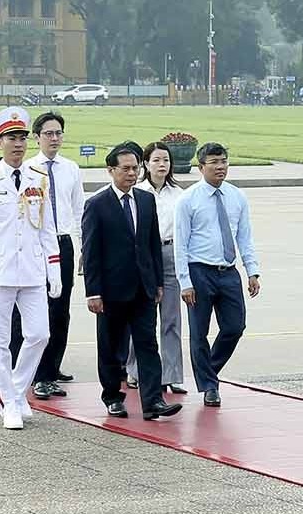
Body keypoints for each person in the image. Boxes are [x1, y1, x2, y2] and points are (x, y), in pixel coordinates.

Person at [0, 106, 62, 430]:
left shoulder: (39, 178)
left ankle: (15, 392)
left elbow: (46, 227)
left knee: (39, 334)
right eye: (11, 138)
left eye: (21, 138)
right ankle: (9, 403)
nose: (18, 144)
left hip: (32, 269)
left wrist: (55, 268)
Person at [83, 141, 182, 421]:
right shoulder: (96, 205)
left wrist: (158, 283)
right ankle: (113, 396)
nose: (131, 173)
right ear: (110, 170)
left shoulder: (145, 200)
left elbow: (151, 244)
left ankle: (153, 401)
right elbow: (91, 252)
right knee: (112, 347)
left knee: (147, 344)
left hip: (143, 288)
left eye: (135, 168)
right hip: (112, 291)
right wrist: (93, 292)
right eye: (125, 168)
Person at [174, 141, 260, 408]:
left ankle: (207, 371)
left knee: (235, 327)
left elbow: (244, 236)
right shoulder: (188, 200)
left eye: (223, 161)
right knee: (199, 332)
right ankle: (210, 386)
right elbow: (181, 243)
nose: (220, 167)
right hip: (199, 271)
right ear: (201, 167)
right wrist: (185, 282)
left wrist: (252, 270)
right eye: (214, 163)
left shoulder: (237, 197)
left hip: (228, 271)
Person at [23, 112, 84, 400]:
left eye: (58, 132)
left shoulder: (70, 168)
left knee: (61, 310)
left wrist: (84, 247)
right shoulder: (27, 169)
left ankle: (53, 366)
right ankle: (40, 374)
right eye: (48, 133)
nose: (54, 138)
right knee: (41, 309)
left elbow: (79, 210)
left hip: (63, 243)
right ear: (37, 137)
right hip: (37, 245)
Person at [125, 140, 188, 394]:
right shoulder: (137, 192)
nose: (162, 165)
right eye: (156, 160)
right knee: (142, 317)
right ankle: (135, 370)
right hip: (145, 257)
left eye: (166, 160)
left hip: (171, 253)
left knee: (171, 318)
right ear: (146, 164)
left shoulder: (180, 195)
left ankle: (171, 375)